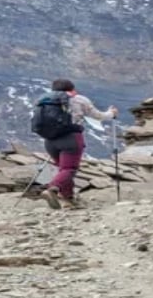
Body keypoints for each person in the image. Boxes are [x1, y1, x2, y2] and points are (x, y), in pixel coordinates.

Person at [39, 78, 118, 209]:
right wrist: (111, 113)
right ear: (72, 89)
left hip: (50, 140)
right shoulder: (79, 99)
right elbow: (98, 116)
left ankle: (68, 199)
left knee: (63, 170)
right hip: (71, 138)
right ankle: (52, 189)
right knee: (69, 169)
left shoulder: (45, 100)